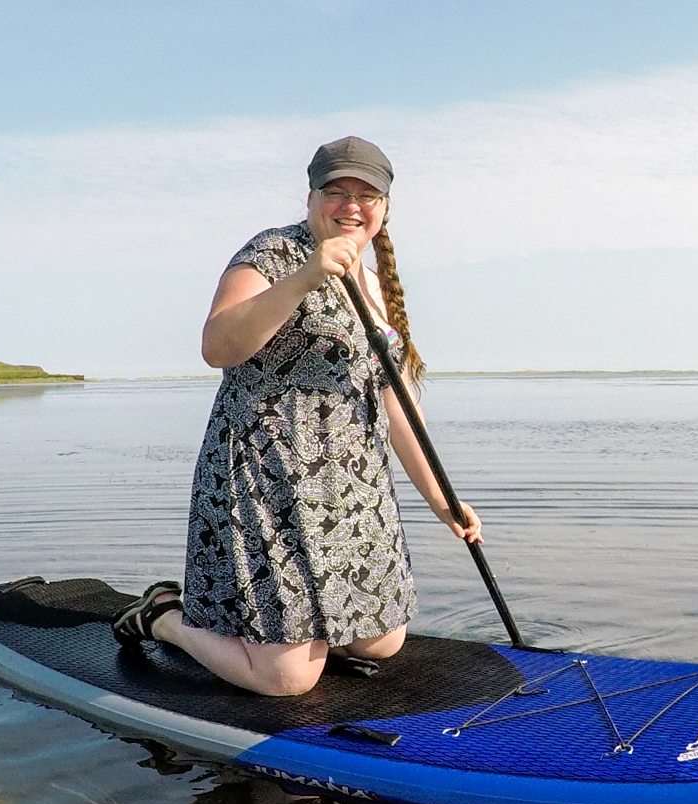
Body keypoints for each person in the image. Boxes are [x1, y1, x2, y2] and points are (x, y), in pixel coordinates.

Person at [112, 135, 482, 696]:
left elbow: (399, 403)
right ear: (311, 197)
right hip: (270, 478)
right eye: (337, 190)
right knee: (287, 681)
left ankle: (302, 628)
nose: (351, 204)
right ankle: (165, 616)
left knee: (382, 643)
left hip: (355, 487)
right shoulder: (271, 255)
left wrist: (443, 501)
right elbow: (218, 347)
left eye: (367, 194)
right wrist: (307, 276)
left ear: (385, 206)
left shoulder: (381, 277)